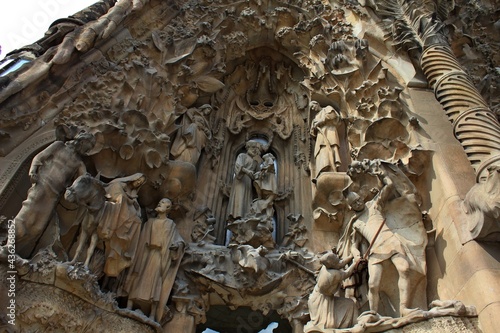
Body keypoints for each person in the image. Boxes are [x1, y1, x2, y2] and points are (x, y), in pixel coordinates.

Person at [349, 172, 426, 317]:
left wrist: (381, 175)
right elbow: (354, 244)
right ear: (350, 207)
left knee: (404, 269)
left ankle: (404, 308)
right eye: (354, 203)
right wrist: (357, 255)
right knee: (373, 284)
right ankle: (373, 313)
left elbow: (389, 186)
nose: (358, 203)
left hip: (391, 242)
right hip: (375, 251)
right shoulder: (356, 223)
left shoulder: (374, 205)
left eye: (358, 199)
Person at [14, 132, 96, 257]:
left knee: (37, 228)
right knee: (24, 216)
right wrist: (33, 170)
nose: (88, 150)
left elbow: (84, 181)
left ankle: (16, 251)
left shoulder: (79, 164)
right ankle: (7, 244)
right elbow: (40, 156)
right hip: (42, 183)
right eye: (89, 146)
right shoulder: (59, 146)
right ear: (82, 141)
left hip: (54, 194)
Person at [124, 198, 185, 322]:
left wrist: (177, 246)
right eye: (160, 201)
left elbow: (179, 241)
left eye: (163, 202)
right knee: (138, 276)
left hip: (159, 257)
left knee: (155, 281)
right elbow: (141, 240)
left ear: (168, 208)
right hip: (145, 254)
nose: (159, 203)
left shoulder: (170, 224)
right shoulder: (150, 222)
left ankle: (152, 313)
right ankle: (129, 305)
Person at [100, 173, 146, 278]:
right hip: (115, 210)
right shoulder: (119, 184)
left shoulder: (133, 193)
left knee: (137, 221)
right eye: (139, 180)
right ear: (133, 178)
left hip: (125, 216)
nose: (138, 182)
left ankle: (125, 246)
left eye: (141, 182)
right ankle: (112, 230)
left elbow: (135, 206)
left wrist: (134, 205)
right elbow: (114, 194)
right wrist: (127, 200)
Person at [307, 250, 359, 329]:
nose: (337, 258)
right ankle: (354, 326)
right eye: (335, 258)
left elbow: (340, 264)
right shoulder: (334, 274)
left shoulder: (325, 267)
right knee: (350, 304)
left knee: (350, 304)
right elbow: (347, 273)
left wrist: (350, 256)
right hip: (322, 302)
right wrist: (355, 263)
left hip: (316, 297)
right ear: (332, 263)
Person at [227, 140, 263, 220]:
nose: (255, 150)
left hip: (248, 184)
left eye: (256, 148)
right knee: (240, 198)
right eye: (253, 147)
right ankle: (238, 217)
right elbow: (238, 167)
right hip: (240, 181)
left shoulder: (255, 162)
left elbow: (257, 174)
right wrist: (247, 171)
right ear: (248, 147)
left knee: (247, 202)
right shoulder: (242, 156)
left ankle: (245, 218)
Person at [310, 102, 342, 180]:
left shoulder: (327, 108)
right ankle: (321, 171)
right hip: (320, 137)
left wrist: (320, 122)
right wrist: (314, 127)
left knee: (331, 149)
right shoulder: (316, 117)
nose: (313, 109)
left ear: (317, 104)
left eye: (313, 106)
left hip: (329, 132)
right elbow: (312, 133)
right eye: (312, 109)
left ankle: (332, 169)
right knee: (322, 152)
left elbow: (332, 115)